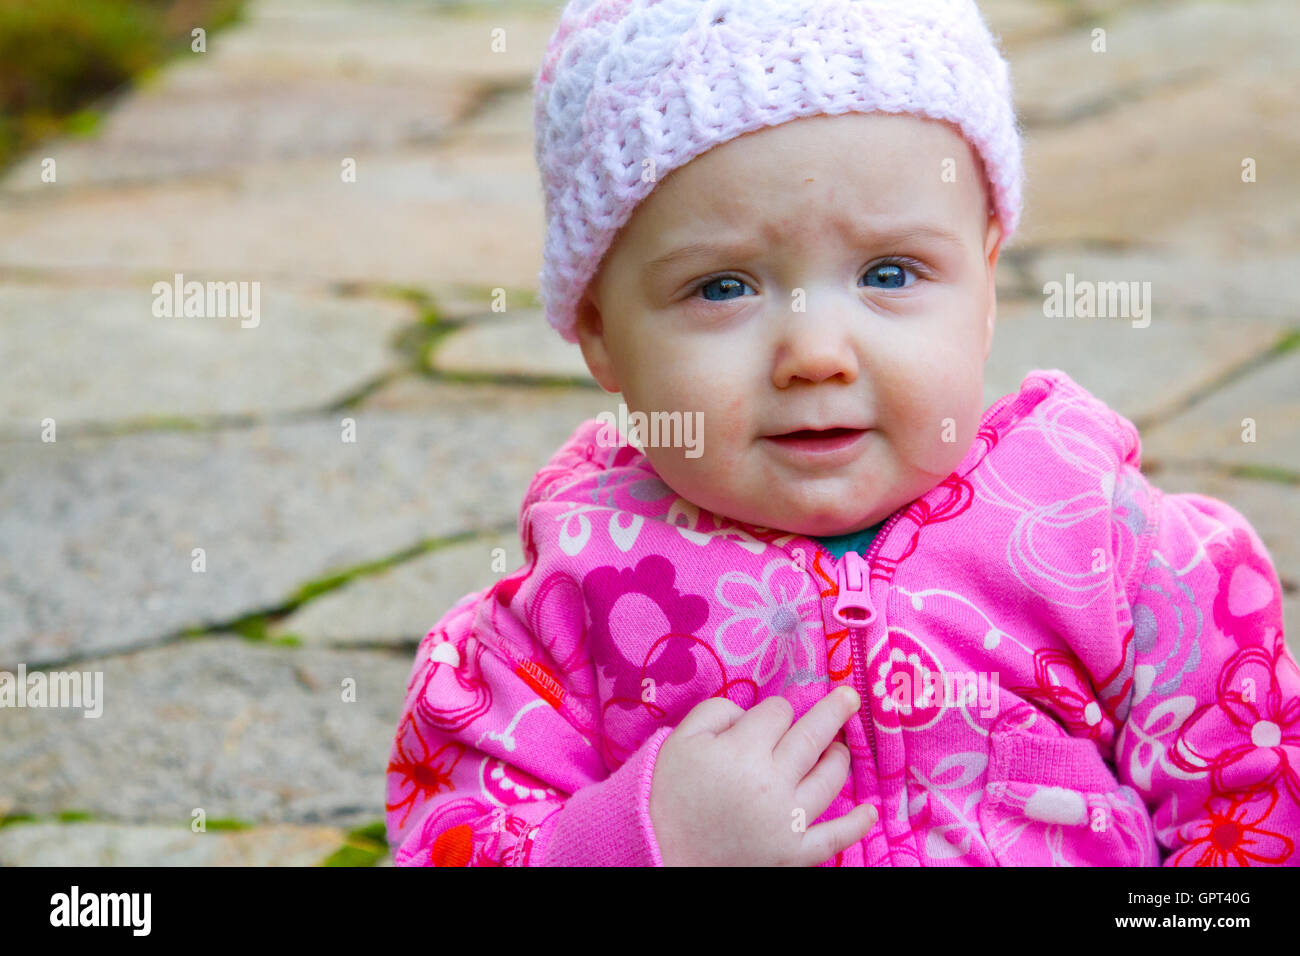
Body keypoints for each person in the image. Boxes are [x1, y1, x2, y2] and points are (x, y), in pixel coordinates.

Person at [384, 0, 1299, 866]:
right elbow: (459, 834)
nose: (816, 354)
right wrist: (642, 839)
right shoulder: (565, 616)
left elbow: (1248, 795)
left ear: (985, 284)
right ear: (599, 331)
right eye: (723, 287)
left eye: (891, 273)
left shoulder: (1110, 548)